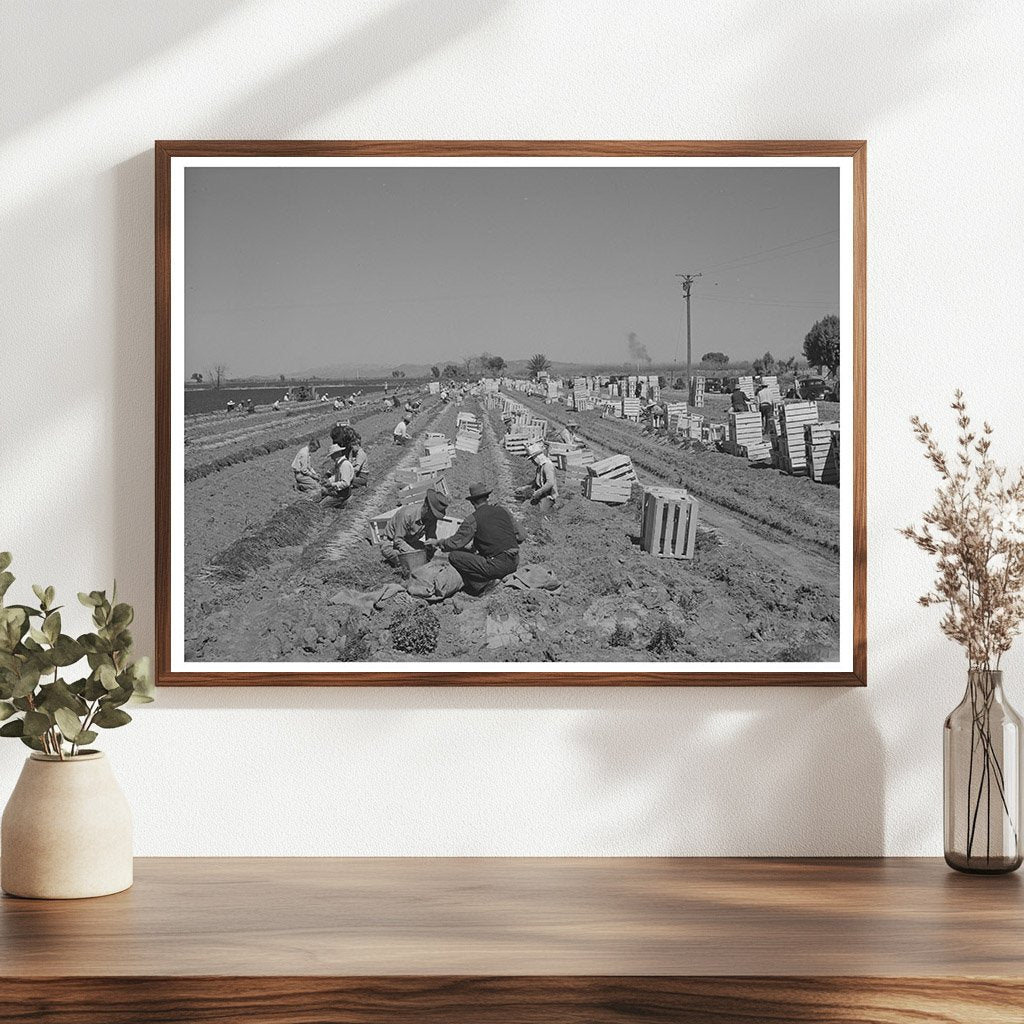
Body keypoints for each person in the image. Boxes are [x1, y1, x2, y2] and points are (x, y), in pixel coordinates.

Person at [428, 482, 526, 596]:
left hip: (498, 566)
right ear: (487, 497)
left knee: (455, 556)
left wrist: (439, 542)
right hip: (514, 562)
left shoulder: (473, 519)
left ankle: (484, 584)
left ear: (472, 502)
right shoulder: (503, 510)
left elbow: (455, 543)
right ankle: (492, 577)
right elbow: (521, 536)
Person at [380, 488, 449, 567]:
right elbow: (398, 540)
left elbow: (430, 538)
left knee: (431, 557)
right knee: (415, 563)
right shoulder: (407, 514)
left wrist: (432, 548)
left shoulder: (431, 518)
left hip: (410, 542)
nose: (434, 517)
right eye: (434, 514)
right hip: (391, 543)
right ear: (426, 507)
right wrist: (414, 554)